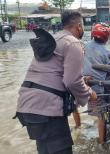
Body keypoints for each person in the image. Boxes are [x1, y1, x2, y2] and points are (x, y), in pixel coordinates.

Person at [15, 11, 97, 154]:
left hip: (27, 104)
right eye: (83, 26)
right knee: (61, 149)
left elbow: (52, 74)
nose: (83, 29)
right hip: (47, 107)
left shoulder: (54, 39)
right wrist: (90, 93)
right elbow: (71, 81)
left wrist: (82, 81)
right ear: (79, 26)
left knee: (46, 149)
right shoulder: (73, 43)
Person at [82, 23, 110, 150]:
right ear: (106, 38)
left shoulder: (83, 46)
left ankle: (78, 126)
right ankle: (101, 142)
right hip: (98, 89)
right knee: (101, 117)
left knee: (78, 109)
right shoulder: (107, 52)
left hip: (82, 86)